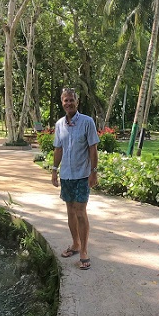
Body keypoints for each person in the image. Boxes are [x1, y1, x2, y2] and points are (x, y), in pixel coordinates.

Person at [51, 87, 99, 270]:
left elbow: (93, 148)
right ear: (62, 103)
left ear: (77, 102)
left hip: (82, 175)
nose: (69, 103)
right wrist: (54, 170)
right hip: (66, 175)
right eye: (66, 100)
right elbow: (58, 149)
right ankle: (75, 244)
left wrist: (94, 171)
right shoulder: (59, 124)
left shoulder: (87, 122)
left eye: (71, 100)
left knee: (80, 211)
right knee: (70, 210)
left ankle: (84, 251)